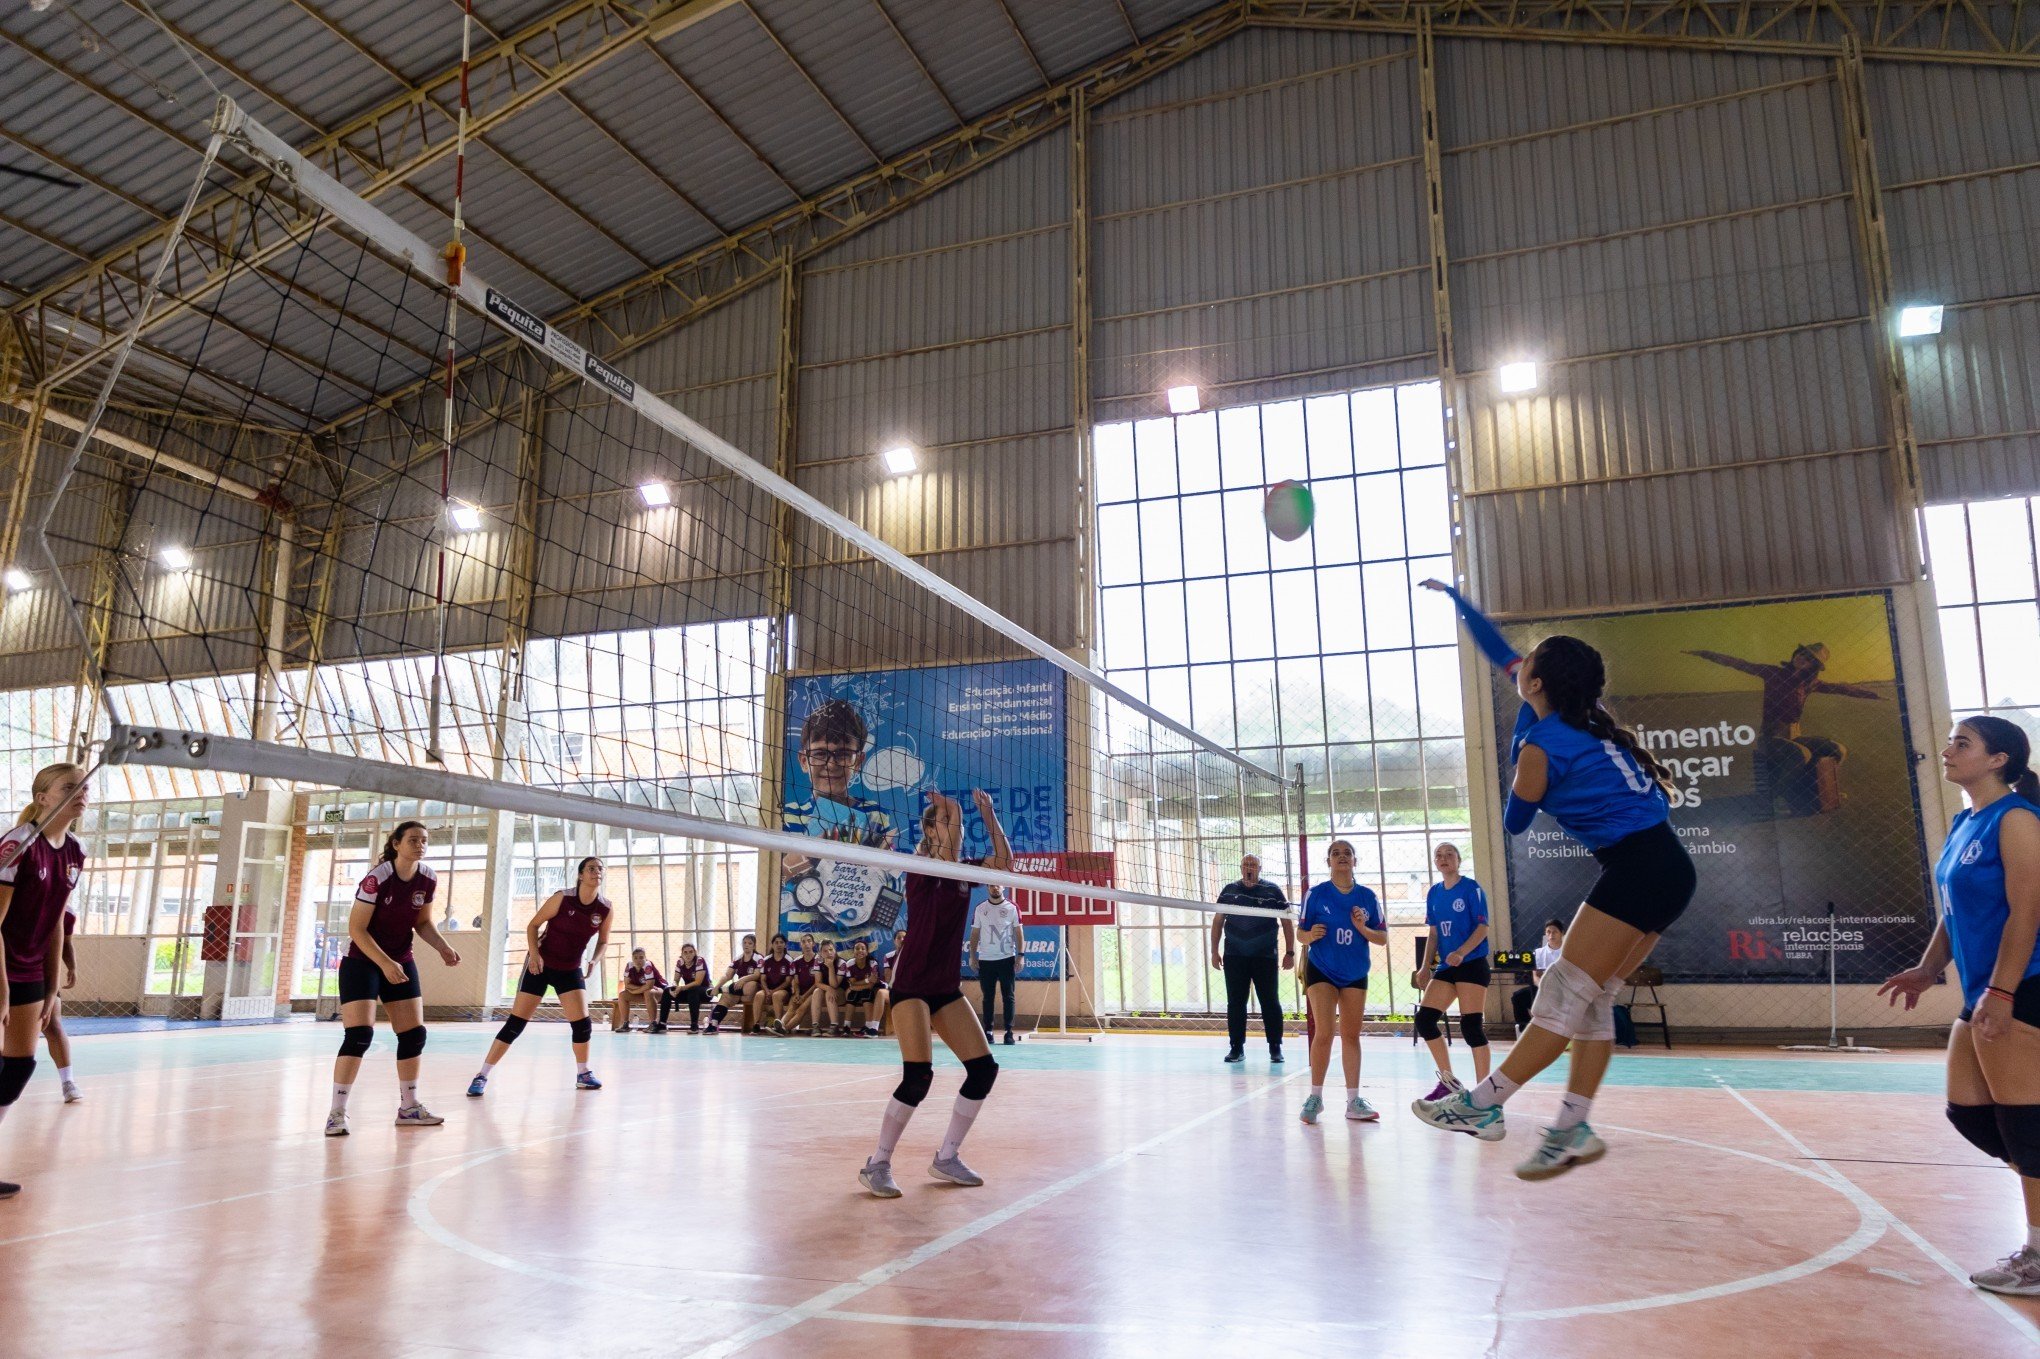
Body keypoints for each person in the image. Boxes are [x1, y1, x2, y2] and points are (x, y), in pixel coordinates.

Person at [1412, 580, 1696, 1180]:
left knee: (1561, 993)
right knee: (1592, 999)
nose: (1518, 664)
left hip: (1640, 869)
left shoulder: (1540, 741)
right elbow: (1498, 649)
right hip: (1667, 869)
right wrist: (1457, 600)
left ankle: (1483, 1106)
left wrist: (1521, 758)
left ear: (1537, 683)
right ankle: (1572, 1125)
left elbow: (1515, 821)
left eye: (1529, 662)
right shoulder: (1570, 718)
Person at [1879, 716, 2040, 1296]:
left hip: (2024, 985)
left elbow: (2028, 912)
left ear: (1998, 760)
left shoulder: (2016, 819)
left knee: (2024, 1123)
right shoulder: (1964, 821)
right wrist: (1928, 967)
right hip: (1983, 988)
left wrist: (2001, 993)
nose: (1947, 750)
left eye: (1961, 743)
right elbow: (1953, 907)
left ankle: (2039, 1256)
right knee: (1969, 1112)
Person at [860, 789, 1012, 1198]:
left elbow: (1004, 864)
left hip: (945, 987)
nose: (956, 830)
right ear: (928, 830)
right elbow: (941, 838)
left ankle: (946, 1156)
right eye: (946, 823)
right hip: (911, 987)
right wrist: (950, 808)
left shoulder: (964, 871)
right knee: (918, 1077)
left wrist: (989, 814)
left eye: (958, 826)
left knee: (983, 1070)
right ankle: (877, 1164)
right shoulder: (918, 865)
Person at [329, 821, 462, 1135]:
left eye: (424, 840)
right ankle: (336, 1113)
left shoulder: (427, 878)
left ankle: (409, 1107)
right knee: (359, 1035)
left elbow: (424, 922)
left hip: (400, 961)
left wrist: (443, 947)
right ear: (397, 844)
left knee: (414, 1035)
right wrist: (385, 963)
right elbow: (356, 930)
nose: (420, 845)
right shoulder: (377, 879)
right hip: (362, 961)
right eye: (413, 839)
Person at [0, 762, 89, 1197]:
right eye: (70, 786)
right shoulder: (18, 845)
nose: (82, 791)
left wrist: (52, 987)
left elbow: (55, 922)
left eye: (85, 785)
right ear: (43, 797)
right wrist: (1, 989)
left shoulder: (74, 852)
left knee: (18, 1066)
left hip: (30, 969)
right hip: (0, 963)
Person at [466, 857, 612, 1099]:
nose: (597, 872)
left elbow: (604, 940)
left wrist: (594, 960)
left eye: (600, 869)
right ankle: (481, 1075)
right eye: (591, 868)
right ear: (580, 875)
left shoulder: (605, 907)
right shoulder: (563, 898)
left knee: (582, 1024)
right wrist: (534, 955)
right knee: (516, 1023)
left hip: (570, 967)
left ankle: (583, 1073)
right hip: (541, 963)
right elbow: (533, 925)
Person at [1686, 643, 1881, 816]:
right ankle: (1776, 799)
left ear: (1814, 666)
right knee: (1800, 754)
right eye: (1801, 653)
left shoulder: (1810, 683)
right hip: (1770, 737)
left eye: (1809, 658)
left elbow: (1841, 688)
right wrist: (1705, 653)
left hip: (1794, 735)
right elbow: (1739, 663)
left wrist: (1873, 695)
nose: (1801, 658)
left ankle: (1826, 787)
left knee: (1838, 750)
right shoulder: (1772, 673)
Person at [1296, 840, 1387, 1125]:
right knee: (1324, 1031)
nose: (1342, 857)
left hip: (1355, 971)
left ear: (1354, 861)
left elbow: (1382, 938)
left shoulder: (1367, 897)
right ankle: (1315, 1097)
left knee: (1350, 1035)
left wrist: (1362, 927)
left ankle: (1353, 1101)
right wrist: (1310, 936)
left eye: (1347, 853)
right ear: (1329, 862)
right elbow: (1300, 932)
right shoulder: (1316, 894)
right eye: (1336, 853)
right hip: (1322, 969)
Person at [1415, 843, 1493, 1098]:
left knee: (1471, 1027)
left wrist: (1462, 952)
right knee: (1425, 1020)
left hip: (1471, 964)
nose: (1443, 858)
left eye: (1449, 854)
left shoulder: (1471, 889)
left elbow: (1482, 928)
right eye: (1439, 855)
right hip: (1448, 967)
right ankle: (1448, 1083)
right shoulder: (1434, 893)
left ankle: (1483, 1093)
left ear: (1459, 860)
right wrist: (1425, 966)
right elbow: (1434, 933)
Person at [1210, 854, 1295, 1064]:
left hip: (1265, 956)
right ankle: (1236, 1048)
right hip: (1234, 956)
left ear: (1260, 868)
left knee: (1270, 1002)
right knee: (1236, 1003)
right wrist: (1214, 951)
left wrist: (1290, 952)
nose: (1249, 867)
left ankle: (1275, 1048)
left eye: (1253, 865)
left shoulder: (1272, 890)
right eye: (1246, 864)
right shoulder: (1229, 890)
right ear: (1241, 868)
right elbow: (1218, 922)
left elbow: (1286, 923)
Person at [968, 885, 1024, 1046]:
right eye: (992, 885)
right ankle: (988, 1031)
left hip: (1007, 958)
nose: (995, 888)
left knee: (1009, 996)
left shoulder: (1012, 907)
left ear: (1003, 886)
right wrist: (972, 956)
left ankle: (1009, 1032)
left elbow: (1018, 932)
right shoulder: (980, 908)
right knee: (988, 997)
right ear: (987, 888)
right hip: (986, 959)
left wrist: (1020, 956)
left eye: (998, 885)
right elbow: (975, 933)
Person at [41, 910, 81, 1103]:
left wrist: (72, 966)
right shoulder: (13, 895)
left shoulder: (67, 913)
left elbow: (65, 942)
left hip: (41, 973)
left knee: (53, 1024)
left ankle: (68, 1082)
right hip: (10, 969)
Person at [1513, 919, 1567, 1034]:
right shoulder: (1538, 953)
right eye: (1548, 932)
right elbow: (1535, 976)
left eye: (1555, 932)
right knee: (1518, 997)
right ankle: (1526, 1032)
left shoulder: (1568, 952)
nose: (1551, 935)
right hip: (1542, 989)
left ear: (1562, 933)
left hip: (1562, 991)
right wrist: (1543, 986)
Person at [705, 933, 762, 1034]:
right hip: (740, 992)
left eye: (750, 943)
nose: (746, 945)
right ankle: (713, 1024)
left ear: (754, 945)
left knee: (751, 984)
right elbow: (727, 975)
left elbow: (757, 975)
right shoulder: (737, 959)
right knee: (725, 997)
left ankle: (724, 989)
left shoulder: (758, 957)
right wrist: (717, 986)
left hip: (752, 990)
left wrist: (743, 979)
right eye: (744, 943)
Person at [659, 943, 711, 1033]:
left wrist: (682, 988)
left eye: (691, 952)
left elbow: (698, 982)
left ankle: (694, 1025)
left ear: (695, 953)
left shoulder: (699, 961)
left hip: (705, 991)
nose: (688, 955)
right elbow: (675, 980)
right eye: (685, 952)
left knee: (693, 989)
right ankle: (662, 1024)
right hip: (689, 991)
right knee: (667, 991)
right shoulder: (680, 962)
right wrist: (674, 987)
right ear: (682, 954)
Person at [612, 947, 665, 1033]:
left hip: (660, 992)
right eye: (635, 958)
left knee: (649, 992)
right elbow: (627, 984)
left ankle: (653, 1024)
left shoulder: (648, 965)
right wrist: (639, 989)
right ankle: (625, 1024)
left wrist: (634, 991)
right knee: (622, 995)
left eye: (641, 957)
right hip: (643, 992)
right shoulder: (629, 966)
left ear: (645, 958)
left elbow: (650, 985)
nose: (638, 960)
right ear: (632, 959)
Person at [842, 939, 881, 1035]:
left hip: (874, 989)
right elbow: (852, 983)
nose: (860, 951)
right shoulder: (849, 964)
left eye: (863, 948)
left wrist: (854, 987)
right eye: (857, 949)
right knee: (851, 995)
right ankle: (846, 1027)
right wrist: (866, 981)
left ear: (867, 952)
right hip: (858, 989)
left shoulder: (873, 963)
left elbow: (871, 985)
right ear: (853, 952)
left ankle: (868, 1026)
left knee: (866, 993)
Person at [760, 934, 797, 1033]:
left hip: (784, 991)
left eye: (781, 942)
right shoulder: (766, 960)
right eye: (776, 942)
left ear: (785, 945)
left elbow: (788, 982)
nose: (779, 945)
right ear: (772, 945)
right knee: (758, 995)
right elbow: (762, 979)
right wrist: (767, 991)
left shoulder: (789, 960)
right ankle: (755, 1025)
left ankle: (779, 1024)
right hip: (768, 990)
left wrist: (772, 992)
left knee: (776, 995)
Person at [807, 940, 843, 1035]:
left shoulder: (841, 963)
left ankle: (835, 1026)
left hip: (841, 992)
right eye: (825, 951)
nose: (829, 953)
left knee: (828, 993)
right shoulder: (818, 961)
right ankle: (815, 1026)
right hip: (827, 990)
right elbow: (817, 982)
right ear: (820, 953)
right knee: (817, 991)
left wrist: (831, 967)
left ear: (835, 950)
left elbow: (834, 985)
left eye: (831, 950)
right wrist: (828, 988)